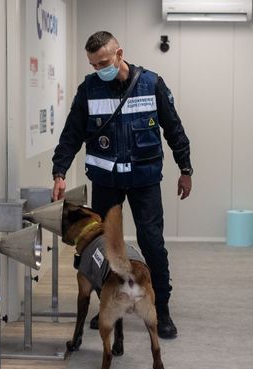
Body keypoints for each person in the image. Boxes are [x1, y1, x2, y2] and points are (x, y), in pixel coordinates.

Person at [51, 31, 192, 339]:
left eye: (103, 62)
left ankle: (161, 309)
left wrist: (186, 168)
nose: (100, 69)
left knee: (151, 242)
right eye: (93, 64)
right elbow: (71, 135)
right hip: (106, 181)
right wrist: (59, 172)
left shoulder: (151, 84)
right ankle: (106, 307)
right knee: (103, 248)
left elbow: (174, 130)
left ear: (119, 54)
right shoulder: (88, 91)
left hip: (144, 180)